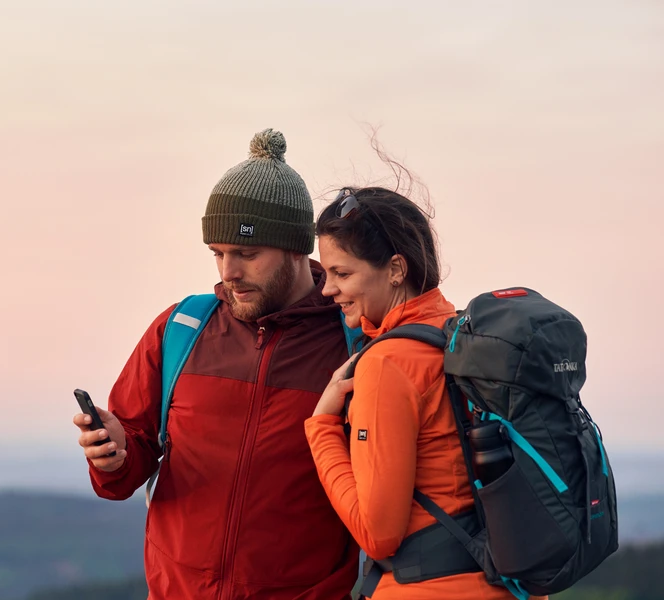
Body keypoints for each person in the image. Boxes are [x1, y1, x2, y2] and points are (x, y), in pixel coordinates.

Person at [73, 129, 360, 599]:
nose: (228, 272)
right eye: (218, 254)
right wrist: (114, 453)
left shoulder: (352, 343)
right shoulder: (181, 329)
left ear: (296, 248)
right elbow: (128, 467)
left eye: (247, 254)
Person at [304, 185, 546, 599]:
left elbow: (379, 536)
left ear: (396, 269)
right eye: (326, 274)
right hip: (510, 584)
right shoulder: (462, 337)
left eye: (342, 274)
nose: (328, 290)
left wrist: (322, 427)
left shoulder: (388, 362)